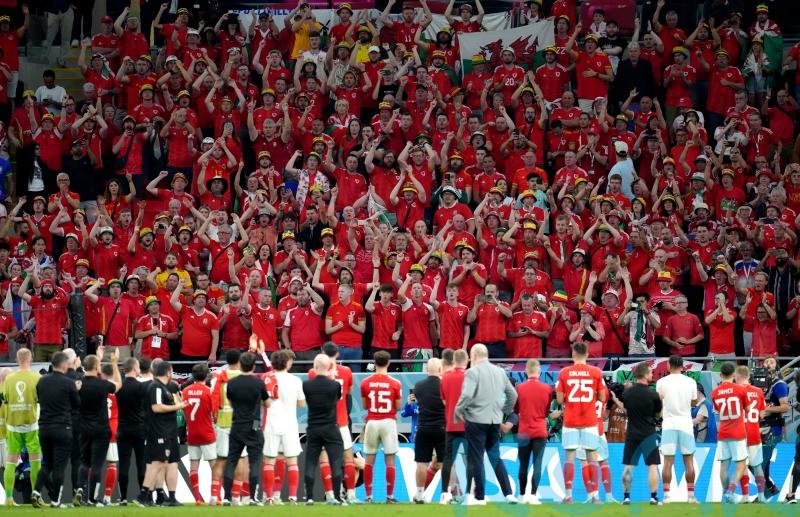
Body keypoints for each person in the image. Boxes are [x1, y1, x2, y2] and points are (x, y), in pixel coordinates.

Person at [454, 343, 518, 505]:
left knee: (476, 458)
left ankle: (480, 497)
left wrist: (458, 410)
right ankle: (508, 494)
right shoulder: (500, 372)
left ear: (474, 356)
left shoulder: (472, 372)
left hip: (476, 420)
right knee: (495, 457)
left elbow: (467, 395)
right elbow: (513, 395)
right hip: (494, 421)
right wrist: (503, 411)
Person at [554, 341, 606, 504]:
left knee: (569, 457)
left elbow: (560, 399)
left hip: (570, 420)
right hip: (590, 421)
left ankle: (568, 495)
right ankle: (595, 496)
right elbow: (602, 397)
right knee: (592, 457)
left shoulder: (564, 372)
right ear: (588, 354)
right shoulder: (596, 371)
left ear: (573, 355)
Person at [30, 351, 80, 508]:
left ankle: (36, 492)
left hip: (44, 427)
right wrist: (76, 390)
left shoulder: (42, 381)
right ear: (65, 365)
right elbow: (77, 404)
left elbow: (39, 398)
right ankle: (55, 501)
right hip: (62, 428)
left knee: (47, 463)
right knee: (59, 466)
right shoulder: (68, 383)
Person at [134, 360, 186, 507]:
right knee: (157, 463)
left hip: (169, 431)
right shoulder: (156, 387)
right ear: (168, 372)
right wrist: (178, 406)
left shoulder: (164, 387)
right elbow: (156, 407)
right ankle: (143, 495)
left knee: (170, 463)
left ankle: (170, 497)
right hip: (159, 431)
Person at [221, 352, 268, 506]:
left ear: (240, 365)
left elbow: (230, 400)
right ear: (254, 366)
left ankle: (227, 497)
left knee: (231, 461)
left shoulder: (232, 383)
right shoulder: (258, 383)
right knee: (254, 461)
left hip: (237, 424)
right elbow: (266, 403)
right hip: (254, 424)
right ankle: (253, 498)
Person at [262, 350, 305, 505]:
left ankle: (269, 497)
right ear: (287, 363)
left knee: (269, 462)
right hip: (289, 425)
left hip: (271, 424)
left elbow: (263, 402)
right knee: (292, 461)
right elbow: (301, 404)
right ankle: (293, 497)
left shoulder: (266, 378)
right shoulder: (295, 380)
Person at [360, 350, 402, 503]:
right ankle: (389, 496)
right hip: (388, 421)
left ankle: (369, 496)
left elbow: (365, 406)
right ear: (389, 363)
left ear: (374, 363)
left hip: (372, 422)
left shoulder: (365, 382)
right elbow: (398, 406)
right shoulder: (395, 383)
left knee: (369, 460)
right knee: (390, 461)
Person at [656, 355, 698, 503]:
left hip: (668, 424)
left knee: (667, 461)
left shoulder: (661, 382)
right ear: (683, 366)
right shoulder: (691, 382)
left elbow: (659, 402)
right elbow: (694, 402)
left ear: (668, 365)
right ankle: (691, 497)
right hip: (685, 423)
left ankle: (667, 497)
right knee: (689, 461)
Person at [302, 353, 344, 505]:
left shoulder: (306, 385)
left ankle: (310, 498)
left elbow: (307, 400)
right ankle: (337, 497)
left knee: (311, 462)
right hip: (330, 427)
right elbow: (337, 399)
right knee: (335, 462)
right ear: (329, 367)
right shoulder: (335, 385)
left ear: (315, 367)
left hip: (313, 427)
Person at [2, 348, 41, 506]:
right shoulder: (37, 377)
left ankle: (9, 498)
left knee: (11, 461)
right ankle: (35, 496)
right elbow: (40, 399)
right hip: (31, 424)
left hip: (13, 425)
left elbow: (5, 399)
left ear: (17, 360)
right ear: (31, 359)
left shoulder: (9, 379)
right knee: (35, 461)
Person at [620, 362, 662, 505]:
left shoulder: (627, 393)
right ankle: (653, 497)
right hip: (649, 433)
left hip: (632, 433)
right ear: (645, 375)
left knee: (628, 466)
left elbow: (626, 410)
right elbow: (658, 414)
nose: (652, 374)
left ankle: (626, 497)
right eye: (650, 372)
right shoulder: (653, 394)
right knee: (652, 465)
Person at [514, 359, 552, 505]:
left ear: (525, 371)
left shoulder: (519, 388)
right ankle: (534, 495)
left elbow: (516, 410)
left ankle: (522, 495)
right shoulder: (547, 388)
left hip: (524, 430)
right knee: (537, 464)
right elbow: (546, 410)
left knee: (523, 464)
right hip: (540, 430)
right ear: (539, 371)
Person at [711, 362, 749, 504]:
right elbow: (748, 409)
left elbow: (717, 410)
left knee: (724, 467)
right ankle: (731, 491)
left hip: (723, 433)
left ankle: (727, 494)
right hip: (738, 432)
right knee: (741, 464)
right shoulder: (740, 390)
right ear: (734, 375)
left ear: (720, 375)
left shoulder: (714, 392)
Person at [182, 363, 217, 505]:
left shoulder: (185, 391)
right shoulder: (209, 392)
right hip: (207, 433)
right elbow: (214, 415)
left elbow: (184, 413)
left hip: (192, 433)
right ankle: (214, 496)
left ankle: (197, 498)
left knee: (194, 466)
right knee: (214, 465)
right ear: (206, 375)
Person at [115, 357, 149, 505]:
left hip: (122, 429)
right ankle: (142, 497)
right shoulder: (142, 387)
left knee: (124, 464)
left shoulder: (119, 387)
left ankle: (123, 497)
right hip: (139, 429)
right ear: (135, 369)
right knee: (141, 463)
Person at [411, 357, 445, 504]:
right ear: (439, 369)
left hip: (423, 428)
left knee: (421, 463)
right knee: (446, 463)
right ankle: (446, 494)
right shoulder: (445, 384)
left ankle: (419, 493)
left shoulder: (418, 386)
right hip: (442, 428)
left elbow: (416, 403)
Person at [439, 348, 467, 504]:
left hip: (450, 424)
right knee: (470, 460)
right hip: (467, 426)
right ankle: (472, 494)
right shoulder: (469, 377)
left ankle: (445, 494)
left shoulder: (445, 378)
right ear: (466, 360)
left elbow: (444, 401)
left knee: (448, 460)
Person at [735, 365, 767, 503]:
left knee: (741, 466)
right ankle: (761, 496)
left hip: (739, 434)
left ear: (737, 376)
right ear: (749, 376)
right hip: (754, 434)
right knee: (758, 466)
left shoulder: (735, 391)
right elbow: (762, 414)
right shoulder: (759, 391)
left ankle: (746, 495)